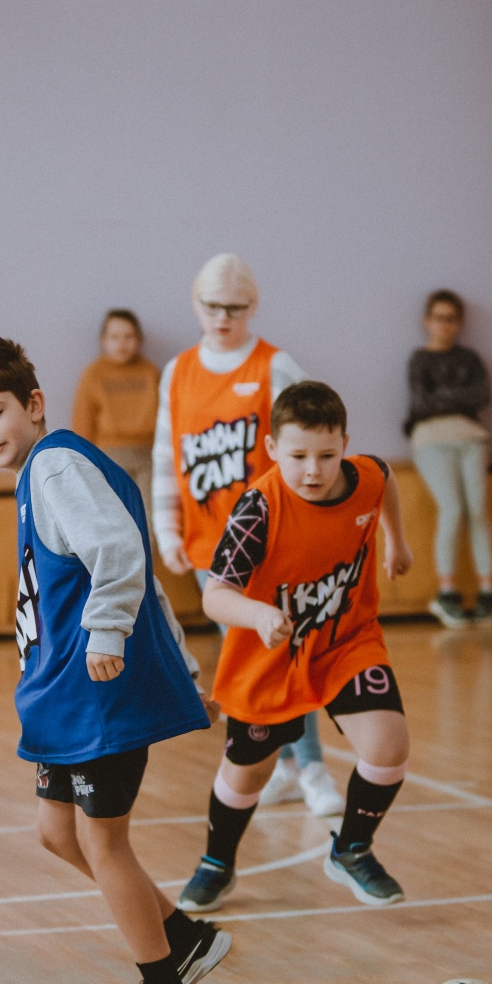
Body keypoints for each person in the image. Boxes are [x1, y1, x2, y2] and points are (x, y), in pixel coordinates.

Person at [0, 337, 228, 984]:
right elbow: (146, 583)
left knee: (103, 843)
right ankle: (182, 938)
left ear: (34, 404)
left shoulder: (58, 465)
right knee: (57, 833)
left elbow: (122, 556)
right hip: (62, 699)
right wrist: (184, 667)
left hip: (96, 694)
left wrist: (106, 636)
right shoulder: (39, 473)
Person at [179, 381, 413, 913]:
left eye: (327, 456)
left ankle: (351, 850)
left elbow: (386, 477)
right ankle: (216, 863)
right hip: (270, 656)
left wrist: (396, 541)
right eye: (298, 456)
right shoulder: (258, 510)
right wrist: (259, 614)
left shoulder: (365, 478)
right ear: (272, 449)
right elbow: (216, 596)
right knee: (248, 774)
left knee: (388, 746)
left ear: (345, 445)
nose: (313, 470)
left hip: (344, 640)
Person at [152, 252, 344, 836]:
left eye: (235, 308)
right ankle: (283, 765)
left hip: (271, 540)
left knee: (285, 650)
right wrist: (166, 527)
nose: (223, 318)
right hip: (210, 545)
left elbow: (310, 446)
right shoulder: (178, 371)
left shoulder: (274, 365)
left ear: (253, 306)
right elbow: (166, 451)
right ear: (196, 304)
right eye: (213, 306)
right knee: (248, 658)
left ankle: (312, 768)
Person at [404, 289, 492, 627]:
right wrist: (458, 398)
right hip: (431, 441)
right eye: (439, 318)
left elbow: (482, 395)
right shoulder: (419, 360)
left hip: (471, 439)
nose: (445, 325)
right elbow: (420, 403)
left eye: (452, 319)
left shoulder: (470, 359)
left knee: (478, 509)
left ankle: (488, 589)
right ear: (427, 321)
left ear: (460, 323)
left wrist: (441, 397)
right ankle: (447, 590)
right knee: (452, 508)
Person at [70, 309, 159, 520]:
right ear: (103, 341)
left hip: (148, 456)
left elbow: (165, 419)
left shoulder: (150, 372)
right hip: (108, 456)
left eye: (128, 337)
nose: (122, 344)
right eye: (114, 337)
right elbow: (83, 424)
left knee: (149, 518)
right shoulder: (93, 374)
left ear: (139, 340)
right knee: (115, 518)